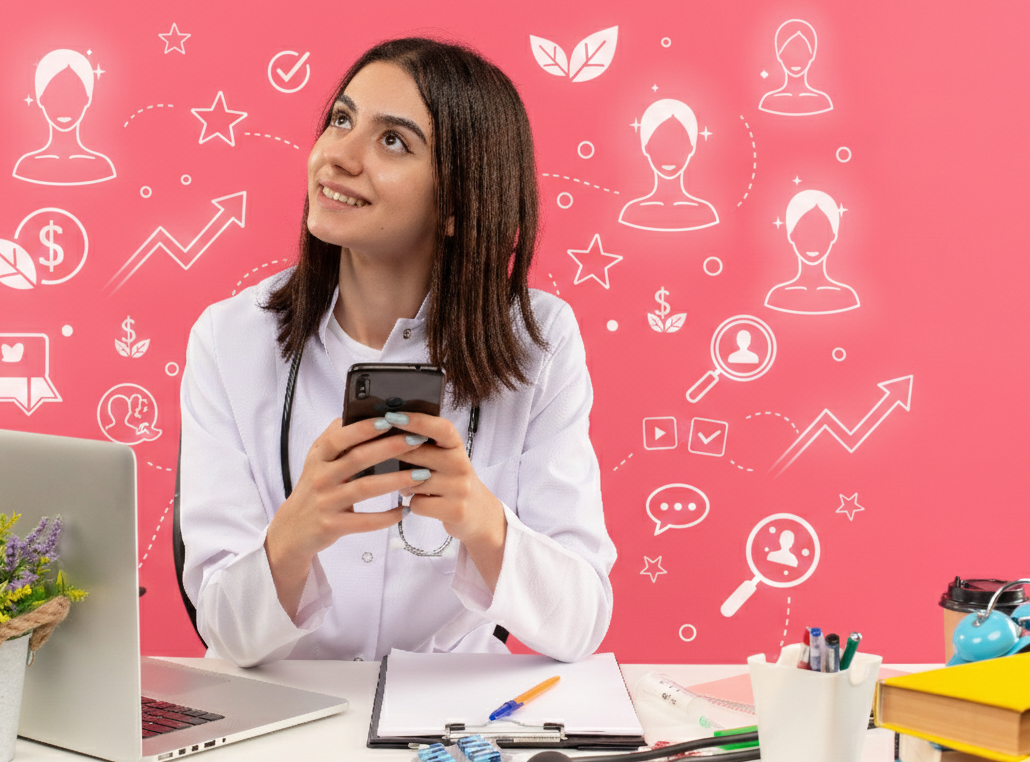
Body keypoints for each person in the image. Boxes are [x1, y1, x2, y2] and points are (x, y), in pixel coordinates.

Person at [179, 38, 615, 668]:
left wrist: (482, 521)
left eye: (392, 141)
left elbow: (580, 625)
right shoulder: (229, 338)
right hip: (288, 705)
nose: (338, 155)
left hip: (451, 709)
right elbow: (225, 633)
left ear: (458, 204)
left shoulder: (538, 340)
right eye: (341, 119)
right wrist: (295, 534)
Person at [13, 49, 116, 186]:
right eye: (55, 95)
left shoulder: (101, 166)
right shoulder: (26, 166)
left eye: (73, 95)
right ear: (41, 99)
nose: (64, 107)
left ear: (87, 99)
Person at [618, 99, 718, 232]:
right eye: (660, 144)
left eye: (678, 144)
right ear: (646, 148)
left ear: (691, 148)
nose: (669, 155)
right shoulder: (632, 212)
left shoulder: (706, 213)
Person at [763, 189, 860, 314]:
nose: (812, 242)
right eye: (805, 231)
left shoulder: (846, 297)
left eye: (820, 231)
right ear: (791, 235)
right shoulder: (777, 296)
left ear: (833, 235)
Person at [758, 19, 834, 117]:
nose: (795, 60)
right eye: (788, 53)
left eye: (802, 52)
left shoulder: (822, 101)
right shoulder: (769, 101)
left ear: (811, 55)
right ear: (779, 55)